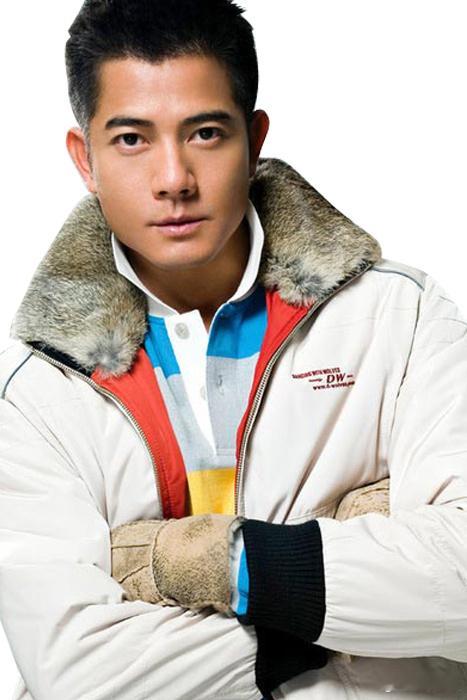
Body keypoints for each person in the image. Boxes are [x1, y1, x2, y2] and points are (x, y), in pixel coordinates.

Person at [0, 0, 466, 698]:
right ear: (84, 159)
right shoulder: (34, 390)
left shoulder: (398, 316)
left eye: (206, 133)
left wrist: (217, 566)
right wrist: (342, 586)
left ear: (253, 139)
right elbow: (80, 677)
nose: (173, 178)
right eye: (131, 139)